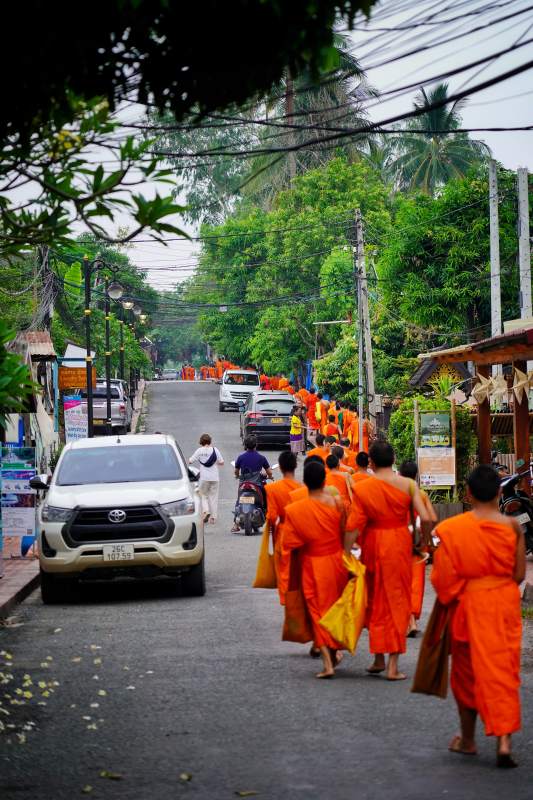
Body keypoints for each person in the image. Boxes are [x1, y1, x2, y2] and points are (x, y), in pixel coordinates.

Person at [431, 465, 525, 768]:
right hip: (503, 605)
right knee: (502, 671)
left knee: (466, 674)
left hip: (467, 606)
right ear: (500, 492)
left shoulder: (452, 529)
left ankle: (468, 739)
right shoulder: (512, 528)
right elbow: (519, 574)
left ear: (468, 494)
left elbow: (442, 579)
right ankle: (504, 741)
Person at [345, 440, 431, 681]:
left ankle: (379, 658)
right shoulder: (408, 485)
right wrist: (422, 542)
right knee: (397, 600)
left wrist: (344, 554)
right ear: (393, 460)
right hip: (400, 545)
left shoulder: (363, 489)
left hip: (373, 545)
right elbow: (425, 518)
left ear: (370, 462)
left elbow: (353, 527)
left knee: (375, 602)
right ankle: (392, 665)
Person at [279, 460, 349, 679]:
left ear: (305, 483)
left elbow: (289, 544)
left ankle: (328, 662)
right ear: (324, 481)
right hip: (337, 563)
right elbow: (345, 531)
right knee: (334, 608)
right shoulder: (338, 504)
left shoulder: (295, 509)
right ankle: (333, 653)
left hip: (312, 563)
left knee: (317, 612)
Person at [399, 460, 438, 637]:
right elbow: (431, 517)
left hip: (398, 541)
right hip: (417, 541)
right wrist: (427, 539)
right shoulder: (421, 494)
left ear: (399, 474)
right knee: (416, 581)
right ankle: (412, 619)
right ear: (416, 475)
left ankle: (409, 620)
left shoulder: (396, 492)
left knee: (401, 582)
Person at [265, 450, 302, 575]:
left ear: (280, 467)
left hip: (283, 536)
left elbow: (272, 516)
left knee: (285, 577)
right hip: (301, 536)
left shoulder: (272, 488)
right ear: (296, 466)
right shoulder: (302, 489)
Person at [232, 435, 273, 532]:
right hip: (257, 485)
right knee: (266, 499)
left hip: (243, 485)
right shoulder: (261, 458)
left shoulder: (241, 457)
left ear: (245, 445)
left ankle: (235, 524)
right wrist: (270, 477)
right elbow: (269, 472)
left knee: (239, 501)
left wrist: (238, 476)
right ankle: (269, 523)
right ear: (256, 445)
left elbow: (236, 471)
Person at [189, 434, 224, 525]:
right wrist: (214, 462)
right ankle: (213, 518)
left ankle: (206, 511)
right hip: (215, 477)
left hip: (204, 477)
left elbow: (190, 461)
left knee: (202, 495)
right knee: (213, 497)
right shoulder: (215, 450)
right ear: (210, 441)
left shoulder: (199, 451)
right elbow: (221, 462)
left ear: (201, 442)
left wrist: (201, 458)